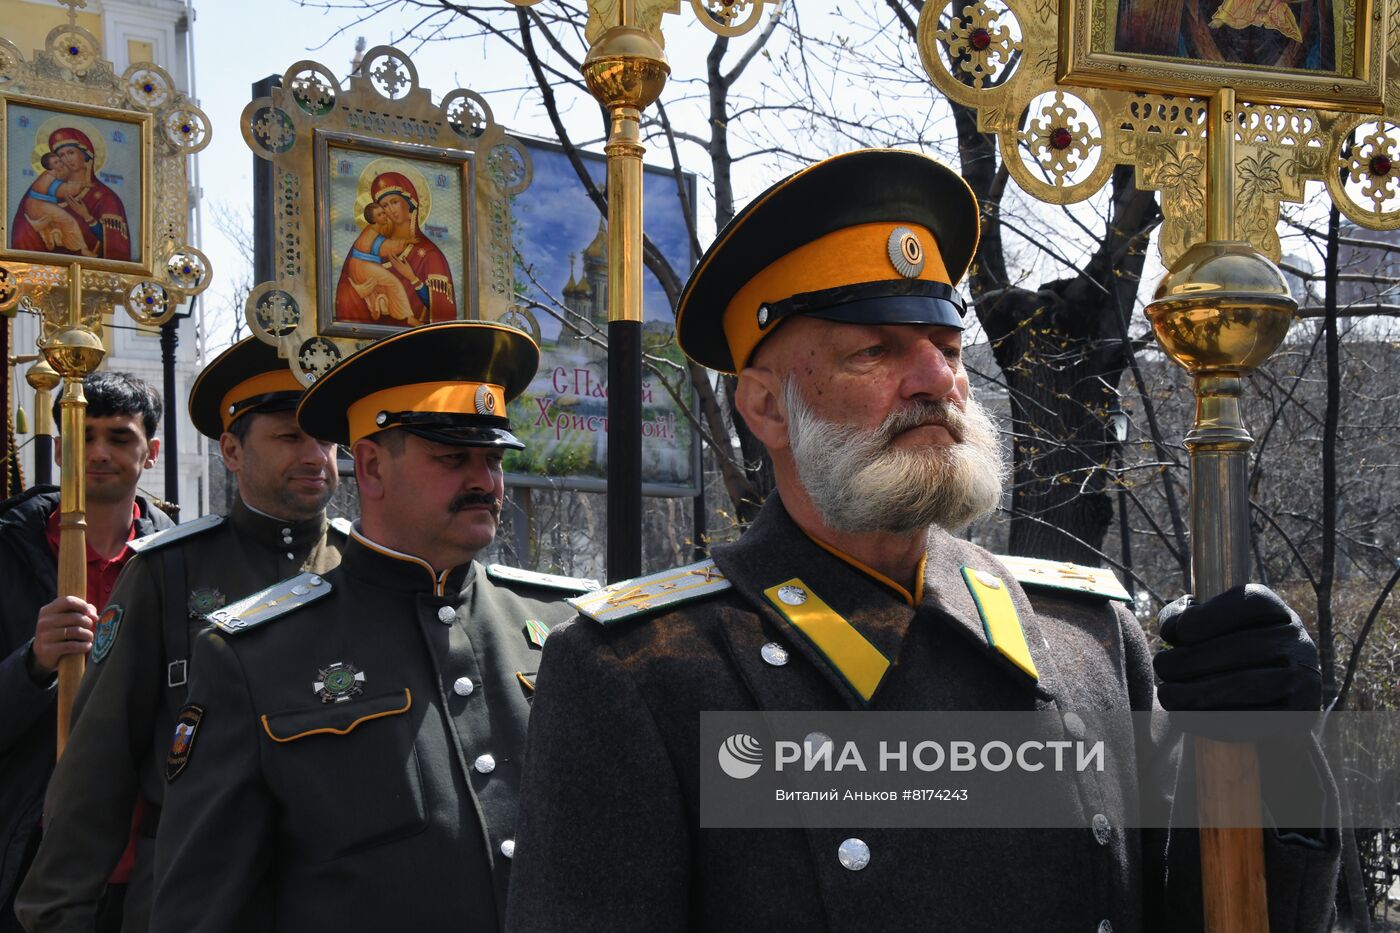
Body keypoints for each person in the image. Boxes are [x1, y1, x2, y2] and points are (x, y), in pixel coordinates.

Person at [504, 149, 1340, 932]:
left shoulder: (1086, 638)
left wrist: (1271, 759)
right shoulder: (642, 671)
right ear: (764, 408)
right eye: (876, 350)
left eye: (946, 347)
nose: (937, 381)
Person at [150, 321, 598, 932]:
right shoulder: (255, 655)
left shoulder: (566, 625)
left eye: (493, 460)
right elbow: (203, 906)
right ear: (370, 467)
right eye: (453, 457)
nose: (486, 483)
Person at [15, 339, 349, 933]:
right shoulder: (169, 571)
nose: (314, 456)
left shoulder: (363, 570)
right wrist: (57, 914)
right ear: (231, 450)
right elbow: (98, 763)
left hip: (337, 891)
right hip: (195, 896)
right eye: (289, 436)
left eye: (323, 439)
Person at [0, 372, 172, 933]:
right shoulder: (8, 554)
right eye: (83, 435)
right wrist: (32, 666)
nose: (98, 452)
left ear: (151, 453)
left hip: (151, 856)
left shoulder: (182, 560)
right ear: (60, 449)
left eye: (119, 437)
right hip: (31, 850)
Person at [333, 171, 455, 327]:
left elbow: (443, 314)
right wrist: (356, 293)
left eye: (394, 202)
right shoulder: (368, 245)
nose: (390, 210)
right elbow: (344, 292)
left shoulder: (430, 254)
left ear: (409, 204)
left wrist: (413, 279)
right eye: (384, 205)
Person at [8, 128, 132, 261]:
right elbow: (21, 233)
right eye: (60, 156)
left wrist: (88, 217)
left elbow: (116, 245)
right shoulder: (45, 186)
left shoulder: (105, 197)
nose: (66, 159)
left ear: (85, 154)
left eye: (71, 153)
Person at [345, 202, 418, 324]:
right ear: (373, 220)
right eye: (379, 215)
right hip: (363, 266)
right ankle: (408, 317)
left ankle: (378, 305)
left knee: (382, 285)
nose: (384, 216)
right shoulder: (372, 234)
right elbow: (388, 248)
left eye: (383, 212)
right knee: (394, 283)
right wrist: (407, 241)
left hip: (360, 265)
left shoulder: (372, 229)